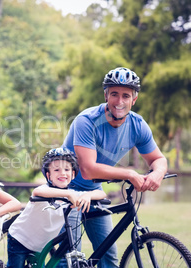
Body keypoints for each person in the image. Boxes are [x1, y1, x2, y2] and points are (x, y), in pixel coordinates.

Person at [61, 67, 168, 267]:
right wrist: (128, 173)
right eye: (114, 94)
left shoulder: (137, 125)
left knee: (108, 256)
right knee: (68, 256)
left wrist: (158, 173)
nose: (119, 101)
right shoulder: (87, 121)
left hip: (92, 190)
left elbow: (158, 159)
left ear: (134, 99)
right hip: (65, 188)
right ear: (106, 95)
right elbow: (88, 169)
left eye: (125, 96)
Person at [6, 147, 107, 268]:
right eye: (57, 170)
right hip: (20, 239)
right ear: (49, 175)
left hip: (40, 245)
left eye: (67, 169)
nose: (63, 173)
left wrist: (88, 195)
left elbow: (102, 194)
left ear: (73, 174)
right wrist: (68, 194)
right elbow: (37, 191)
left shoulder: (73, 194)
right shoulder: (46, 190)